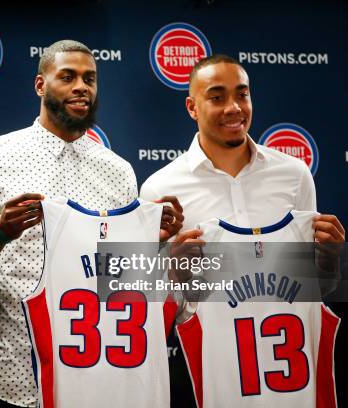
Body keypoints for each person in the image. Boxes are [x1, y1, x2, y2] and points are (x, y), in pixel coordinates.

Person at [0, 39, 183, 408]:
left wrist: (153, 243)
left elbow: (119, 279)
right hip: (7, 374)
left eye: (90, 79)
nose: (81, 87)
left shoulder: (118, 172)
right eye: (67, 76)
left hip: (94, 376)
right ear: (41, 85)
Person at [140, 54, 345, 406]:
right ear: (192, 107)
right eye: (217, 97)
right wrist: (173, 271)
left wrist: (330, 262)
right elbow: (147, 305)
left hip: (291, 370)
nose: (234, 108)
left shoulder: (294, 174)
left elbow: (316, 288)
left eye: (242, 94)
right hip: (210, 370)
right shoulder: (159, 189)